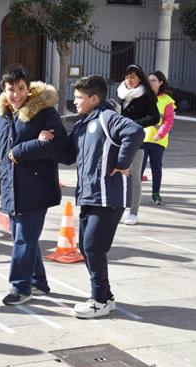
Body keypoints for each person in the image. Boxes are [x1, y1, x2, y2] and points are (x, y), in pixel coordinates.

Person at [54, 75, 144, 318]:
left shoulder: (107, 117)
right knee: (86, 247)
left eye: (79, 98)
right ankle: (106, 297)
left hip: (108, 196)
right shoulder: (82, 124)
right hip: (89, 195)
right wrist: (49, 140)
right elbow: (69, 156)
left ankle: (99, 300)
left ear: (95, 99)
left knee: (93, 247)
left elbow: (135, 132)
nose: (75, 102)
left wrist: (122, 162)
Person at [0, 63, 66, 306]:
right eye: (11, 89)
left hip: (36, 188)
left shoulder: (44, 112)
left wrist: (22, 150)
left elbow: (59, 144)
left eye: (21, 88)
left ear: (28, 89)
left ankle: (20, 288)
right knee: (22, 238)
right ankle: (38, 282)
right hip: (10, 189)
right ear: (3, 89)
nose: (16, 94)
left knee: (23, 239)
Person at [116, 64, 159, 225]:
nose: (129, 80)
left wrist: (135, 124)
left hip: (135, 140)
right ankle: (118, 208)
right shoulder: (120, 93)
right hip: (117, 139)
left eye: (133, 77)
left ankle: (133, 212)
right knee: (117, 174)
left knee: (134, 176)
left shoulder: (146, 95)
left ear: (140, 78)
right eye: (127, 77)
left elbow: (155, 118)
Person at [142, 71, 175, 205]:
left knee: (156, 167)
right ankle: (132, 194)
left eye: (154, 80)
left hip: (158, 140)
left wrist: (159, 134)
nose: (150, 83)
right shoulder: (142, 97)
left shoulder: (167, 100)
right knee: (138, 168)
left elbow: (168, 121)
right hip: (142, 138)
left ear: (160, 82)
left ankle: (156, 194)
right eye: (149, 80)